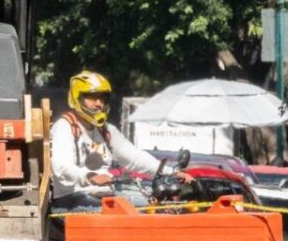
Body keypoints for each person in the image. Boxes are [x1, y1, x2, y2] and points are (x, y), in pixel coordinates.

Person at [49, 70, 192, 213]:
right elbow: (61, 167)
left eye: (103, 98)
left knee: (154, 205)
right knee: (120, 214)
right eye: (93, 98)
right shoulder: (65, 126)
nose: (99, 104)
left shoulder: (106, 130)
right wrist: (90, 177)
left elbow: (134, 158)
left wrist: (170, 173)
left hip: (105, 194)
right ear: (77, 98)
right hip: (70, 199)